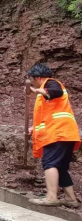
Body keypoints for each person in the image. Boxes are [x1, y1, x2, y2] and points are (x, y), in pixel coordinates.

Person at [27, 63, 81, 207]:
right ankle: (71, 200)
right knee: (60, 166)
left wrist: (37, 90)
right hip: (64, 132)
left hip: (58, 133)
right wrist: (34, 128)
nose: (31, 81)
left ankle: (51, 197)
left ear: (38, 77)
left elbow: (56, 92)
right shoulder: (45, 91)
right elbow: (47, 116)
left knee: (49, 163)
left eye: (31, 79)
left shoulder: (52, 84)